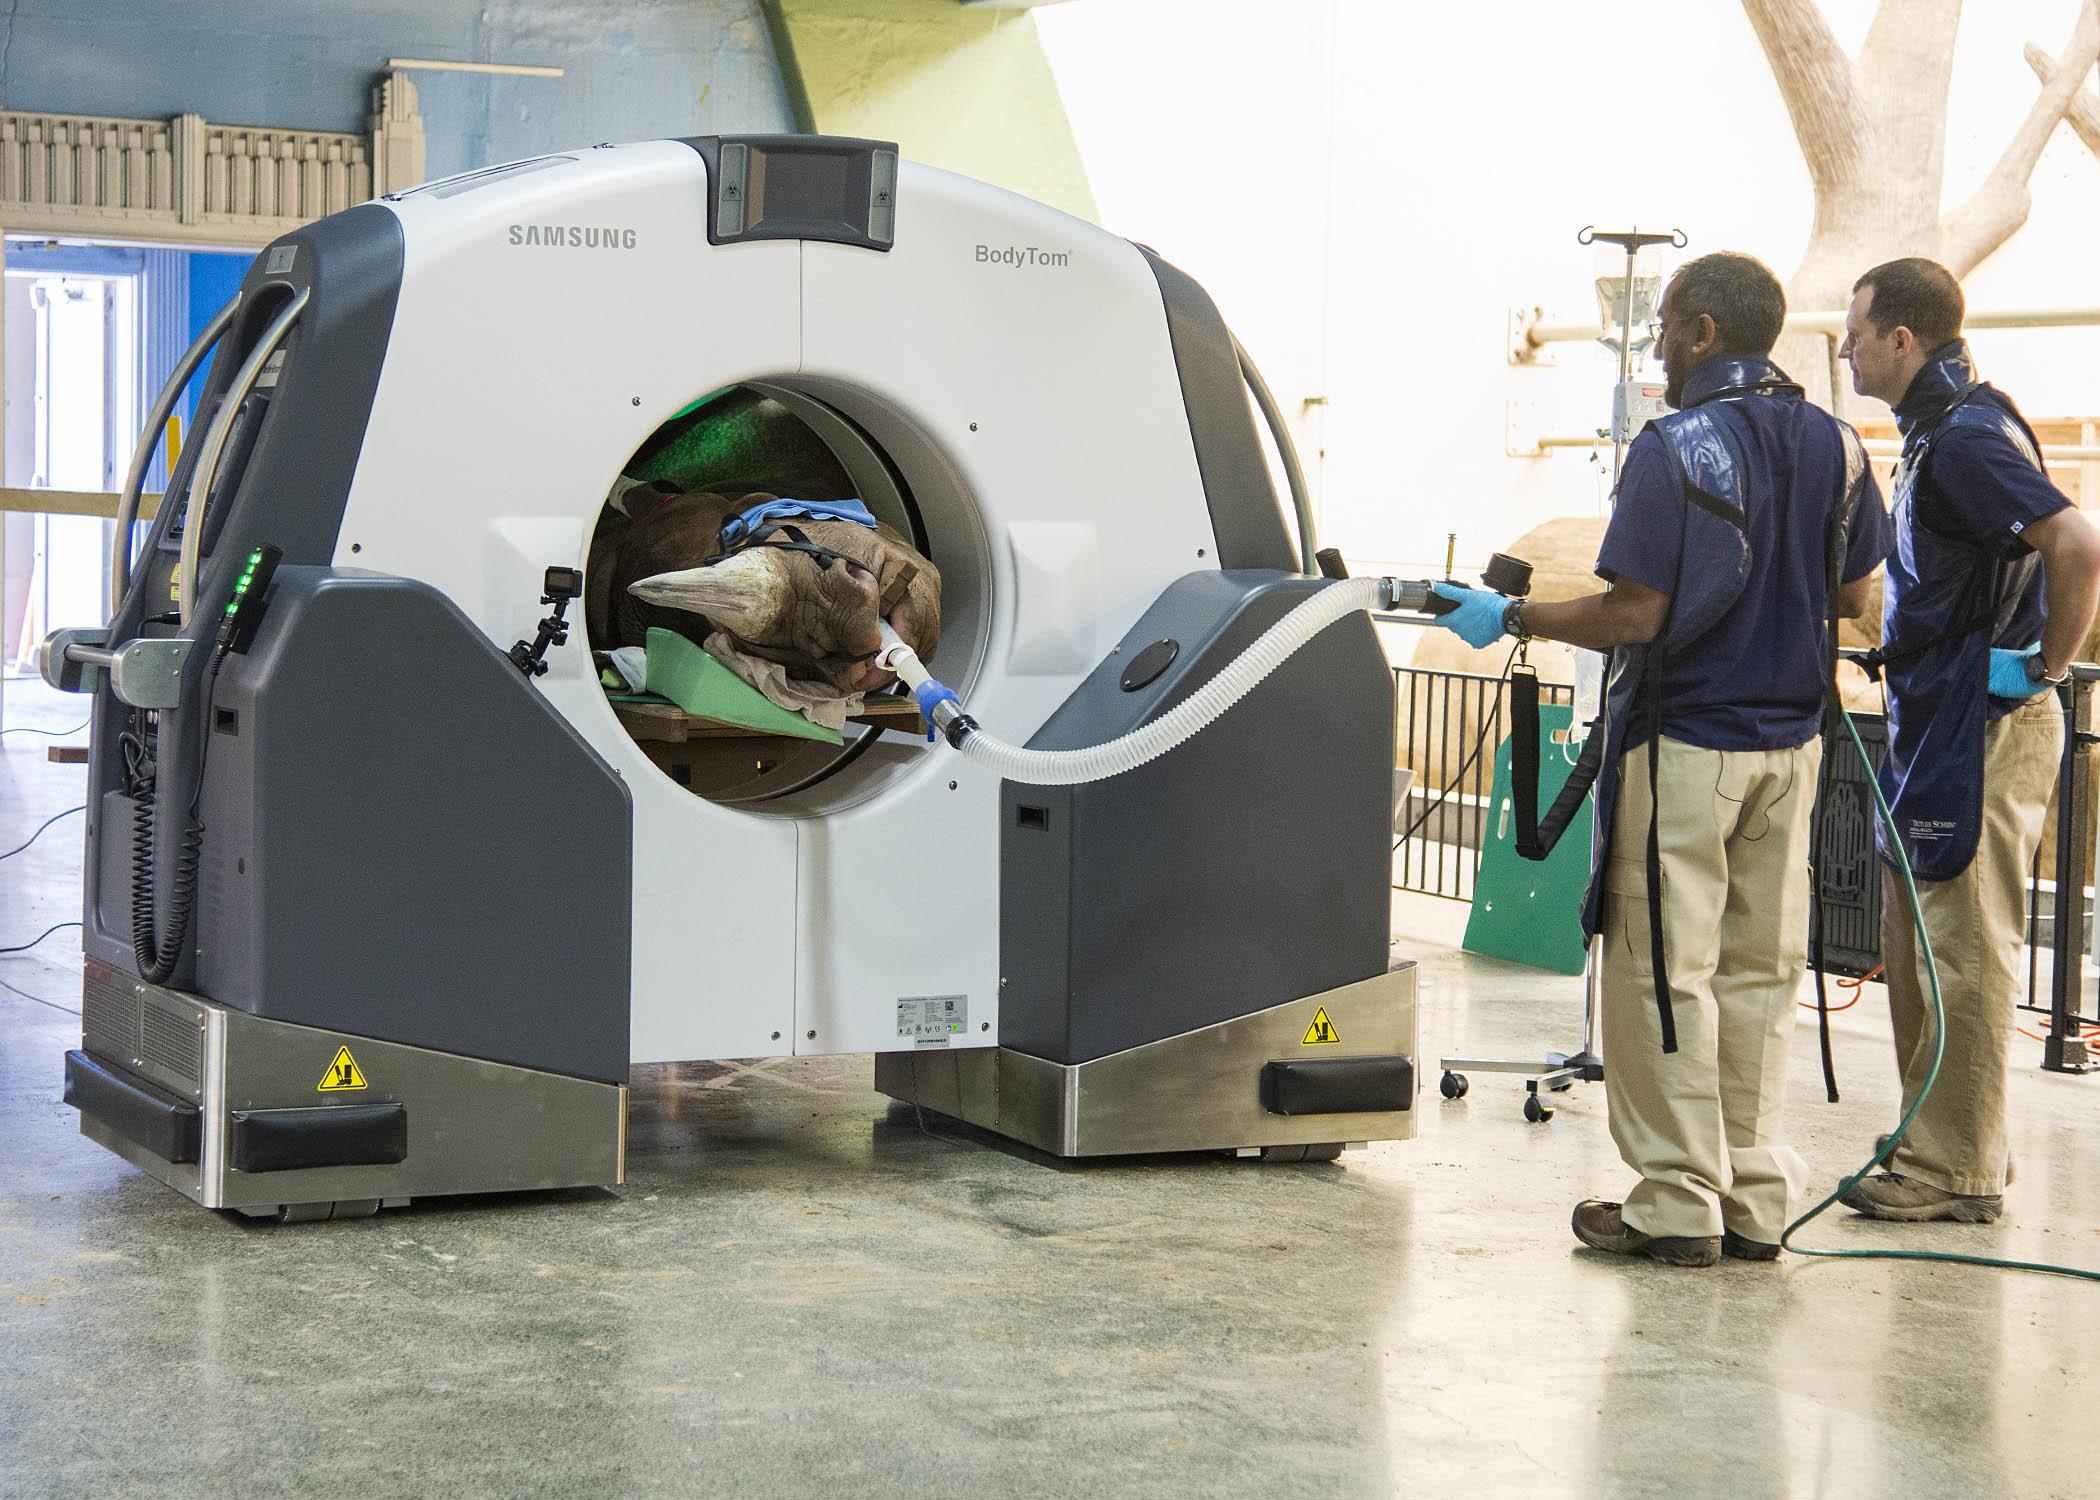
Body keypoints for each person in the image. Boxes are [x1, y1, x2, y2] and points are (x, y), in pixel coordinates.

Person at [1428, 251, 1891, 1267]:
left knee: (1661, 972)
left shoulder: (1673, 448)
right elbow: (1860, 602)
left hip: (1686, 748)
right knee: (1762, 976)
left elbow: (1635, 613)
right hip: (1793, 752)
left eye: (1666, 325)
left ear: (1705, 334)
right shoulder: (1841, 447)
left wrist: (1509, 612)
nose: (1657, 346)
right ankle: (1754, 1200)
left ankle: (1678, 1203)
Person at [1836, 257, 2100, 1224]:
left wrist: (2043, 667)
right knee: (1926, 940)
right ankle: (1936, 1145)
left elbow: (2078, 543)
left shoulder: (1966, 441)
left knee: (1964, 948)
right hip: (1944, 717)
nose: (1846, 348)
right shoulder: (1947, 429)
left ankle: (1956, 1173)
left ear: (1904, 340)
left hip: (1984, 723)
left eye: (1857, 332)